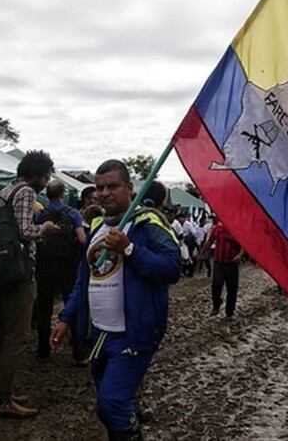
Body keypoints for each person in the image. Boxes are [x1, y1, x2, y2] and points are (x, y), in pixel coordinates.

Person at [51, 159, 181, 440]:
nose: (105, 193)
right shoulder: (97, 225)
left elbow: (172, 268)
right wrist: (66, 318)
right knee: (114, 407)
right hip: (100, 334)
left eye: (113, 186)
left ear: (130, 188)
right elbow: (83, 280)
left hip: (133, 333)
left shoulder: (148, 222)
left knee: (111, 405)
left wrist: (130, 248)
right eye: (100, 188)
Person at [0, 150, 60, 419]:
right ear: (38, 175)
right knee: (15, 338)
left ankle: (3, 392)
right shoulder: (27, 193)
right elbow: (24, 231)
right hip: (18, 271)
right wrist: (46, 229)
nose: (47, 181)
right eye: (46, 176)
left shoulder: (4, 190)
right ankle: (2, 400)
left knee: (2, 336)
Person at [33, 179, 86, 361]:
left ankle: (43, 350)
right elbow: (81, 239)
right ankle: (78, 352)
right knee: (71, 305)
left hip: (45, 266)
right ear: (63, 194)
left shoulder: (41, 215)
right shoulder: (73, 213)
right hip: (67, 266)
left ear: (47, 195)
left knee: (44, 308)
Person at [197, 218, 243, 320]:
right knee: (216, 286)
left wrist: (240, 255)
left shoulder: (237, 228)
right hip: (219, 263)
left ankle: (229, 313)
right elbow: (209, 241)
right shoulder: (217, 229)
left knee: (232, 289)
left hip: (232, 264)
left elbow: (244, 243)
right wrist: (201, 253)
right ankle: (216, 306)